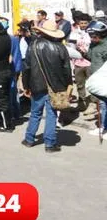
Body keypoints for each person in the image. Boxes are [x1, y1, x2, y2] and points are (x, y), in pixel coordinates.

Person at [21, 20, 72, 152]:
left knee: (35, 113)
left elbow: (26, 67)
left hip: (36, 85)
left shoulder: (33, 45)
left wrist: (26, 85)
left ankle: (29, 139)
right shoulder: (60, 47)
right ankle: (49, 144)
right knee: (52, 114)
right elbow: (66, 69)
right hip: (55, 86)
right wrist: (68, 85)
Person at [85, 20, 107, 136]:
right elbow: (90, 56)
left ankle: (104, 128)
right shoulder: (93, 44)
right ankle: (103, 127)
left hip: (104, 79)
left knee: (104, 105)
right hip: (95, 78)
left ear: (101, 35)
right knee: (102, 104)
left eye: (94, 36)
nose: (91, 39)